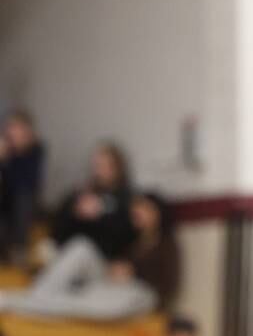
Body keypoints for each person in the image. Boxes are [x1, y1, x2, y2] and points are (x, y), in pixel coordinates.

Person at [0, 193, 179, 320]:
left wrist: (134, 273)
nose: (137, 211)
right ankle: (33, 297)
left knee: (78, 303)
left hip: (139, 294)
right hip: (112, 283)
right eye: (137, 207)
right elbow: (108, 254)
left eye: (144, 209)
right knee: (81, 247)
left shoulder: (166, 244)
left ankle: (15, 302)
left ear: (157, 214)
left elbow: (166, 284)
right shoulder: (132, 235)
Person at [52, 142, 137, 259]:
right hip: (72, 247)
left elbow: (125, 234)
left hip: (103, 257)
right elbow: (59, 222)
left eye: (104, 166)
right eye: (97, 165)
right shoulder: (85, 191)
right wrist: (75, 210)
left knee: (80, 249)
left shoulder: (126, 197)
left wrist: (99, 215)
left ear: (117, 168)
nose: (98, 171)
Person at [0, 109, 46, 263]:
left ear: (26, 130)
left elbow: (27, 183)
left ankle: (19, 248)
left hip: (23, 203)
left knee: (23, 198)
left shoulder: (36, 150)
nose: (10, 131)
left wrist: (7, 159)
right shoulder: (5, 147)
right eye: (9, 126)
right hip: (5, 203)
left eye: (14, 126)